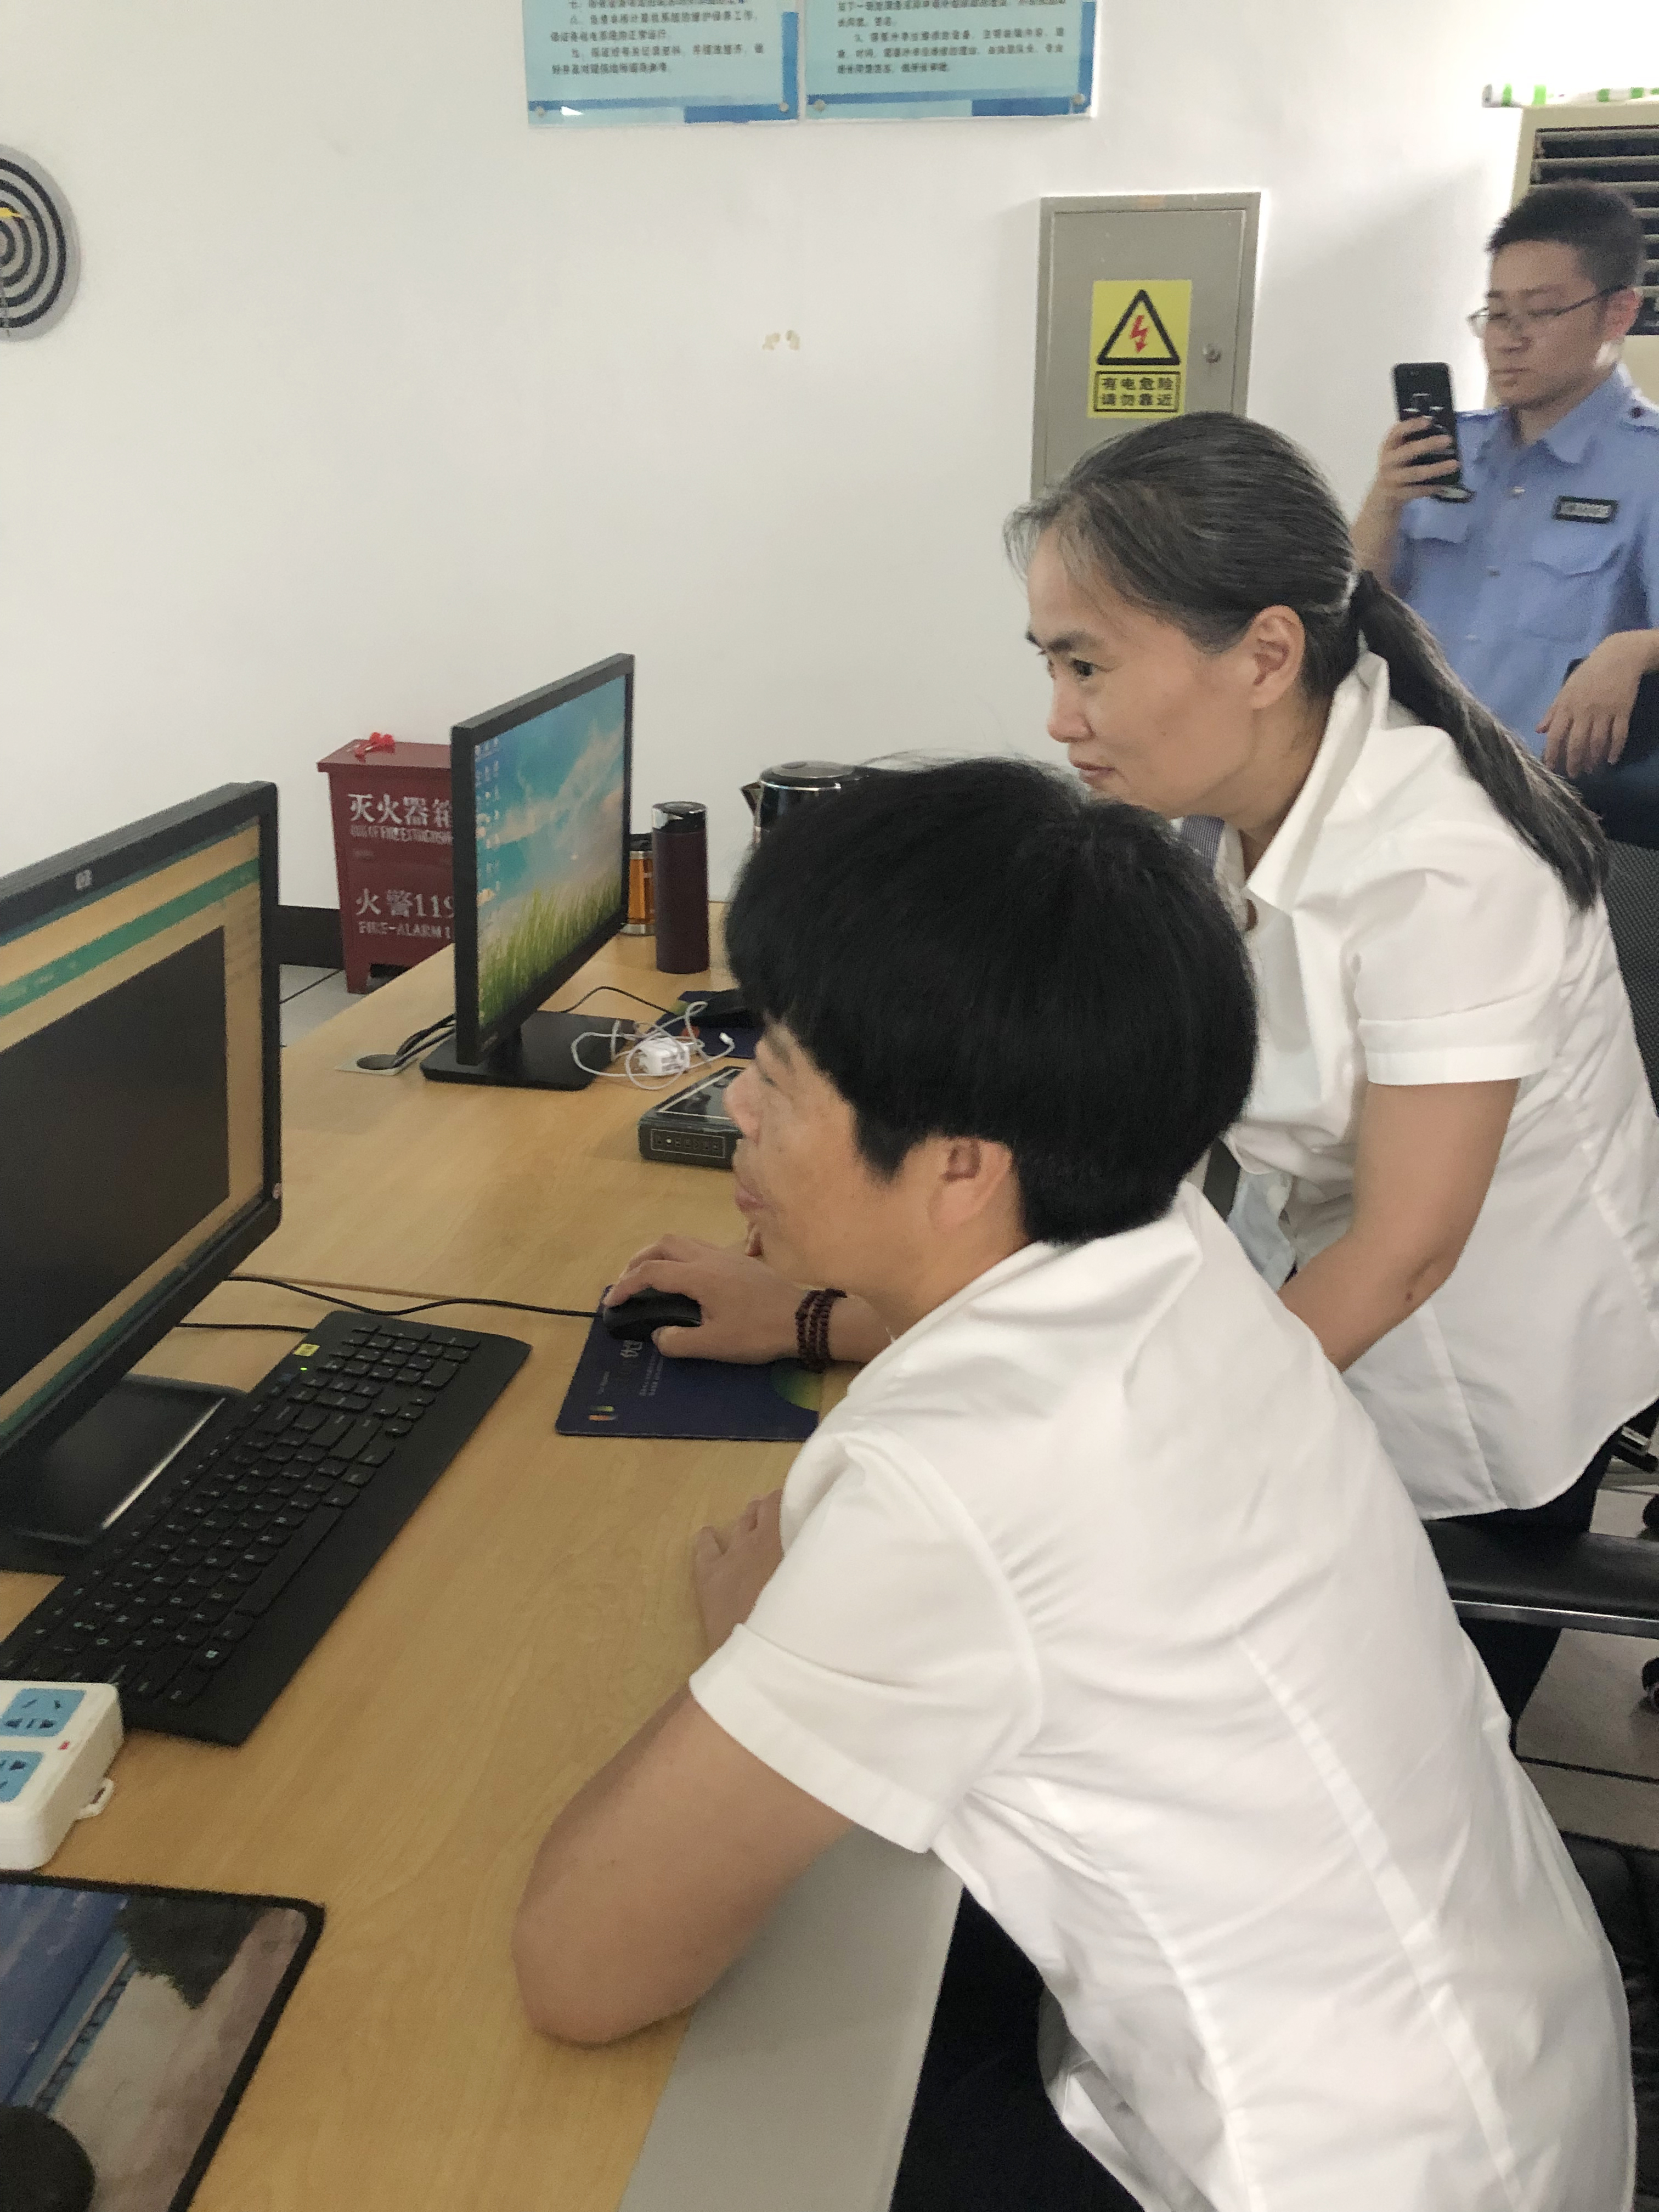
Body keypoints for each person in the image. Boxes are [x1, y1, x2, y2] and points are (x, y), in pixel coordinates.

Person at [516, 760, 1633, 2212]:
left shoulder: (958, 1486)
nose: (736, 1112)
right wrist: (810, 1333)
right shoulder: (1164, 1245)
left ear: (960, 1165)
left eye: (777, 1080)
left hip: (1320, 2170)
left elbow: (582, 1971)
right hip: (1503, 2065)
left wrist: (757, 1649)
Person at [611, 413, 1659, 1725]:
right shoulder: (1240, 810)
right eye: (1051, 663)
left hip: (1457, 1404)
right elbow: (1127, 1153)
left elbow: (1403, 1257)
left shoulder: (1441, 873)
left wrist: (1068, 1468)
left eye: (1089, 665)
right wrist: (831, 1310)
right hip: (1306, 1314)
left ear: (1266, 654)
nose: (1060, 718)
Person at [1353, 180, 1659, 782]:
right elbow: (1352, 614)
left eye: (1540, 313)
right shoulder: (1446, 448)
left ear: (1618, 313)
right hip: (1407, 777)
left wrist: (1635, 649)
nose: (1509, 339)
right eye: (1497, 314)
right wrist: (1382, 506)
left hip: (1552, 800)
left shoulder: (1647, 465)